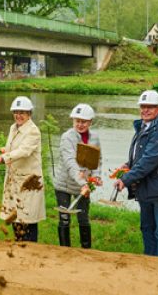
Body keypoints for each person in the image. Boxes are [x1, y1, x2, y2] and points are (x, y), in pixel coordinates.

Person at [114, 90, 158, 257]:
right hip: (146, 189)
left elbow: (149, 161)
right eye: (143, 106)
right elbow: (142, 156)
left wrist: (126, 179)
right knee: (147, 229)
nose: (145, 110)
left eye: (150, 107)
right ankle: (150, 266)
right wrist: (128, 165)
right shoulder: (142, 127)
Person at [0, 96, 46, 242]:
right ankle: (19, 245)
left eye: (22, 112)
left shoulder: (33, 131)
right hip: (14, 181)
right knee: (15, 215)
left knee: (28, 218)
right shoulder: (13, 128)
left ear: (29, 114)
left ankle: (31, 248)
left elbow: (24, 151)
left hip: (29, 182)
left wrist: (4, 158)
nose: (18, 115)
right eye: (16, 112)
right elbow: (13, 147)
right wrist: (2, 150)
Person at [54, 103, 101, 248]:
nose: (80, 125)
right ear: (73, 120)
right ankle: (65, 249)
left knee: (83, 218)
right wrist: (83, 183)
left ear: (90, 122)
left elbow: (97, 161)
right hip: (65, 185)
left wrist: (97, 176)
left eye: (84, 122)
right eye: (77, 121)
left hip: (84, 185)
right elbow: (70, 163)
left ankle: (86, 250)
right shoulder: (67, 137)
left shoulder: (94, 138)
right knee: (64, 218)